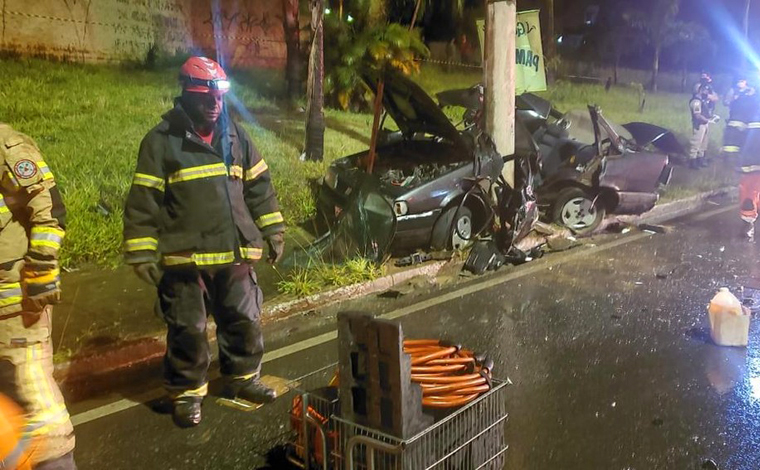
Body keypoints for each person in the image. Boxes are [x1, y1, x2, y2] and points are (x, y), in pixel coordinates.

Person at [123, 56, 286, 428]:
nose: (215, 105)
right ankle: (185, 393)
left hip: (234, 251)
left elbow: (260, 186)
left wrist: (273, 230)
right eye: (205, 98)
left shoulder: (236, 136)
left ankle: (243, 379)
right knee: (188, 329)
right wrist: (142, 251)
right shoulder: (161, 142)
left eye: (219, 98)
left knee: (243, 319)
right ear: (187, 96)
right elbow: (143, 202)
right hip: (185, 258)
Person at [0, 123, 76, 468]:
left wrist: (41, 272)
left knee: (38, 411)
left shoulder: (6, 146)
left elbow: (49, 212)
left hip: (14, 312)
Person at [738, 79, 760, 241]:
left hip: (750, 156)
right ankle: (748, 223)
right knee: (751, 189)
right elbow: (736, 127)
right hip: (752, 157)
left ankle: (748, 223)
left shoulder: (748, 102)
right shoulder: (748, 103)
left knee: (751, 189)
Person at [722, 75, 757, 158]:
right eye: (739, 81)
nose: (740, 83)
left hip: (747, 119)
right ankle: (731, 157)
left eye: (742, 81)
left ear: (745, 81)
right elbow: (726, 102)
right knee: (733, 140)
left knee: (745, 139)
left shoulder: (751, 90)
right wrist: (734, 99)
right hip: (735, 117)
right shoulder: (733, 90)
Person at [688, 84, 719, 169]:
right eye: (704, 89)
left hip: (705, 124)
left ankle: (700, 159)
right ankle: (692, 161)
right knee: (696, 143)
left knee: (703, 143)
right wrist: (708, 120)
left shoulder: (703, 100)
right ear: (699, 90)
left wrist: (710, 118)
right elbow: (697, 115)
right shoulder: (696, 101)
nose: (706, 91)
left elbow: (715, 99)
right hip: (699, 124)